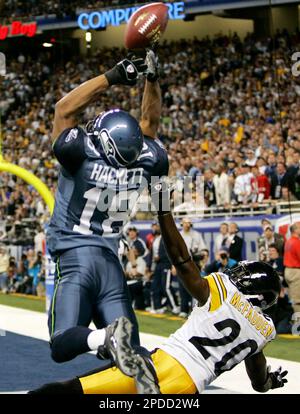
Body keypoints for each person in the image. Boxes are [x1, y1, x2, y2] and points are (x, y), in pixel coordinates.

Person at [30, 213, 288, 395]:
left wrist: (164, 211)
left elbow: (182, 260)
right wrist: (270, 382)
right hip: (188, 388)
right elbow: (258, 381)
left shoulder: (223, 290)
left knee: (65, 391)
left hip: (160, 366)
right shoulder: (264, 329)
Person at [46, 50, 169, 364]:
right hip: (110, 263)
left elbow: (63, 109)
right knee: (131, 357)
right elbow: (150, 122)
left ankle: (102, 337)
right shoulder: (146, 161)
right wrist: (152, 80)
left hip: (76, 258)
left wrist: (112, 76)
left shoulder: (80, 154)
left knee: (62, 343)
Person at [284, 222, 300, 315]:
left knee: (294, 298)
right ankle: (298, 325)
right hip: (295, 271)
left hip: (288, 270)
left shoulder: (288, 241)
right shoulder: (297, 242)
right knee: (297, 300)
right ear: (295, 230)